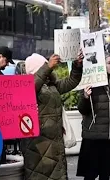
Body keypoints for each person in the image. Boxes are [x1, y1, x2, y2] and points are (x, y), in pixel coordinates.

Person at [20, 52, 83, 180]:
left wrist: (77, 66)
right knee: (41, 174)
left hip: (54, 140)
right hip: (38, 142)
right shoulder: (27, 85)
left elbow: (71, 82)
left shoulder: (50, 85)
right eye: (43, 65)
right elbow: (29, 90)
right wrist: (47, 67)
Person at [76, 54, 110, 180]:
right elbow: (82, 109)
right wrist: (85, 97)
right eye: (109, 62)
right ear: (101, 65)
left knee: (105, 174)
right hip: (93, 136)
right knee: (90, 174)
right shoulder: (90, 82)